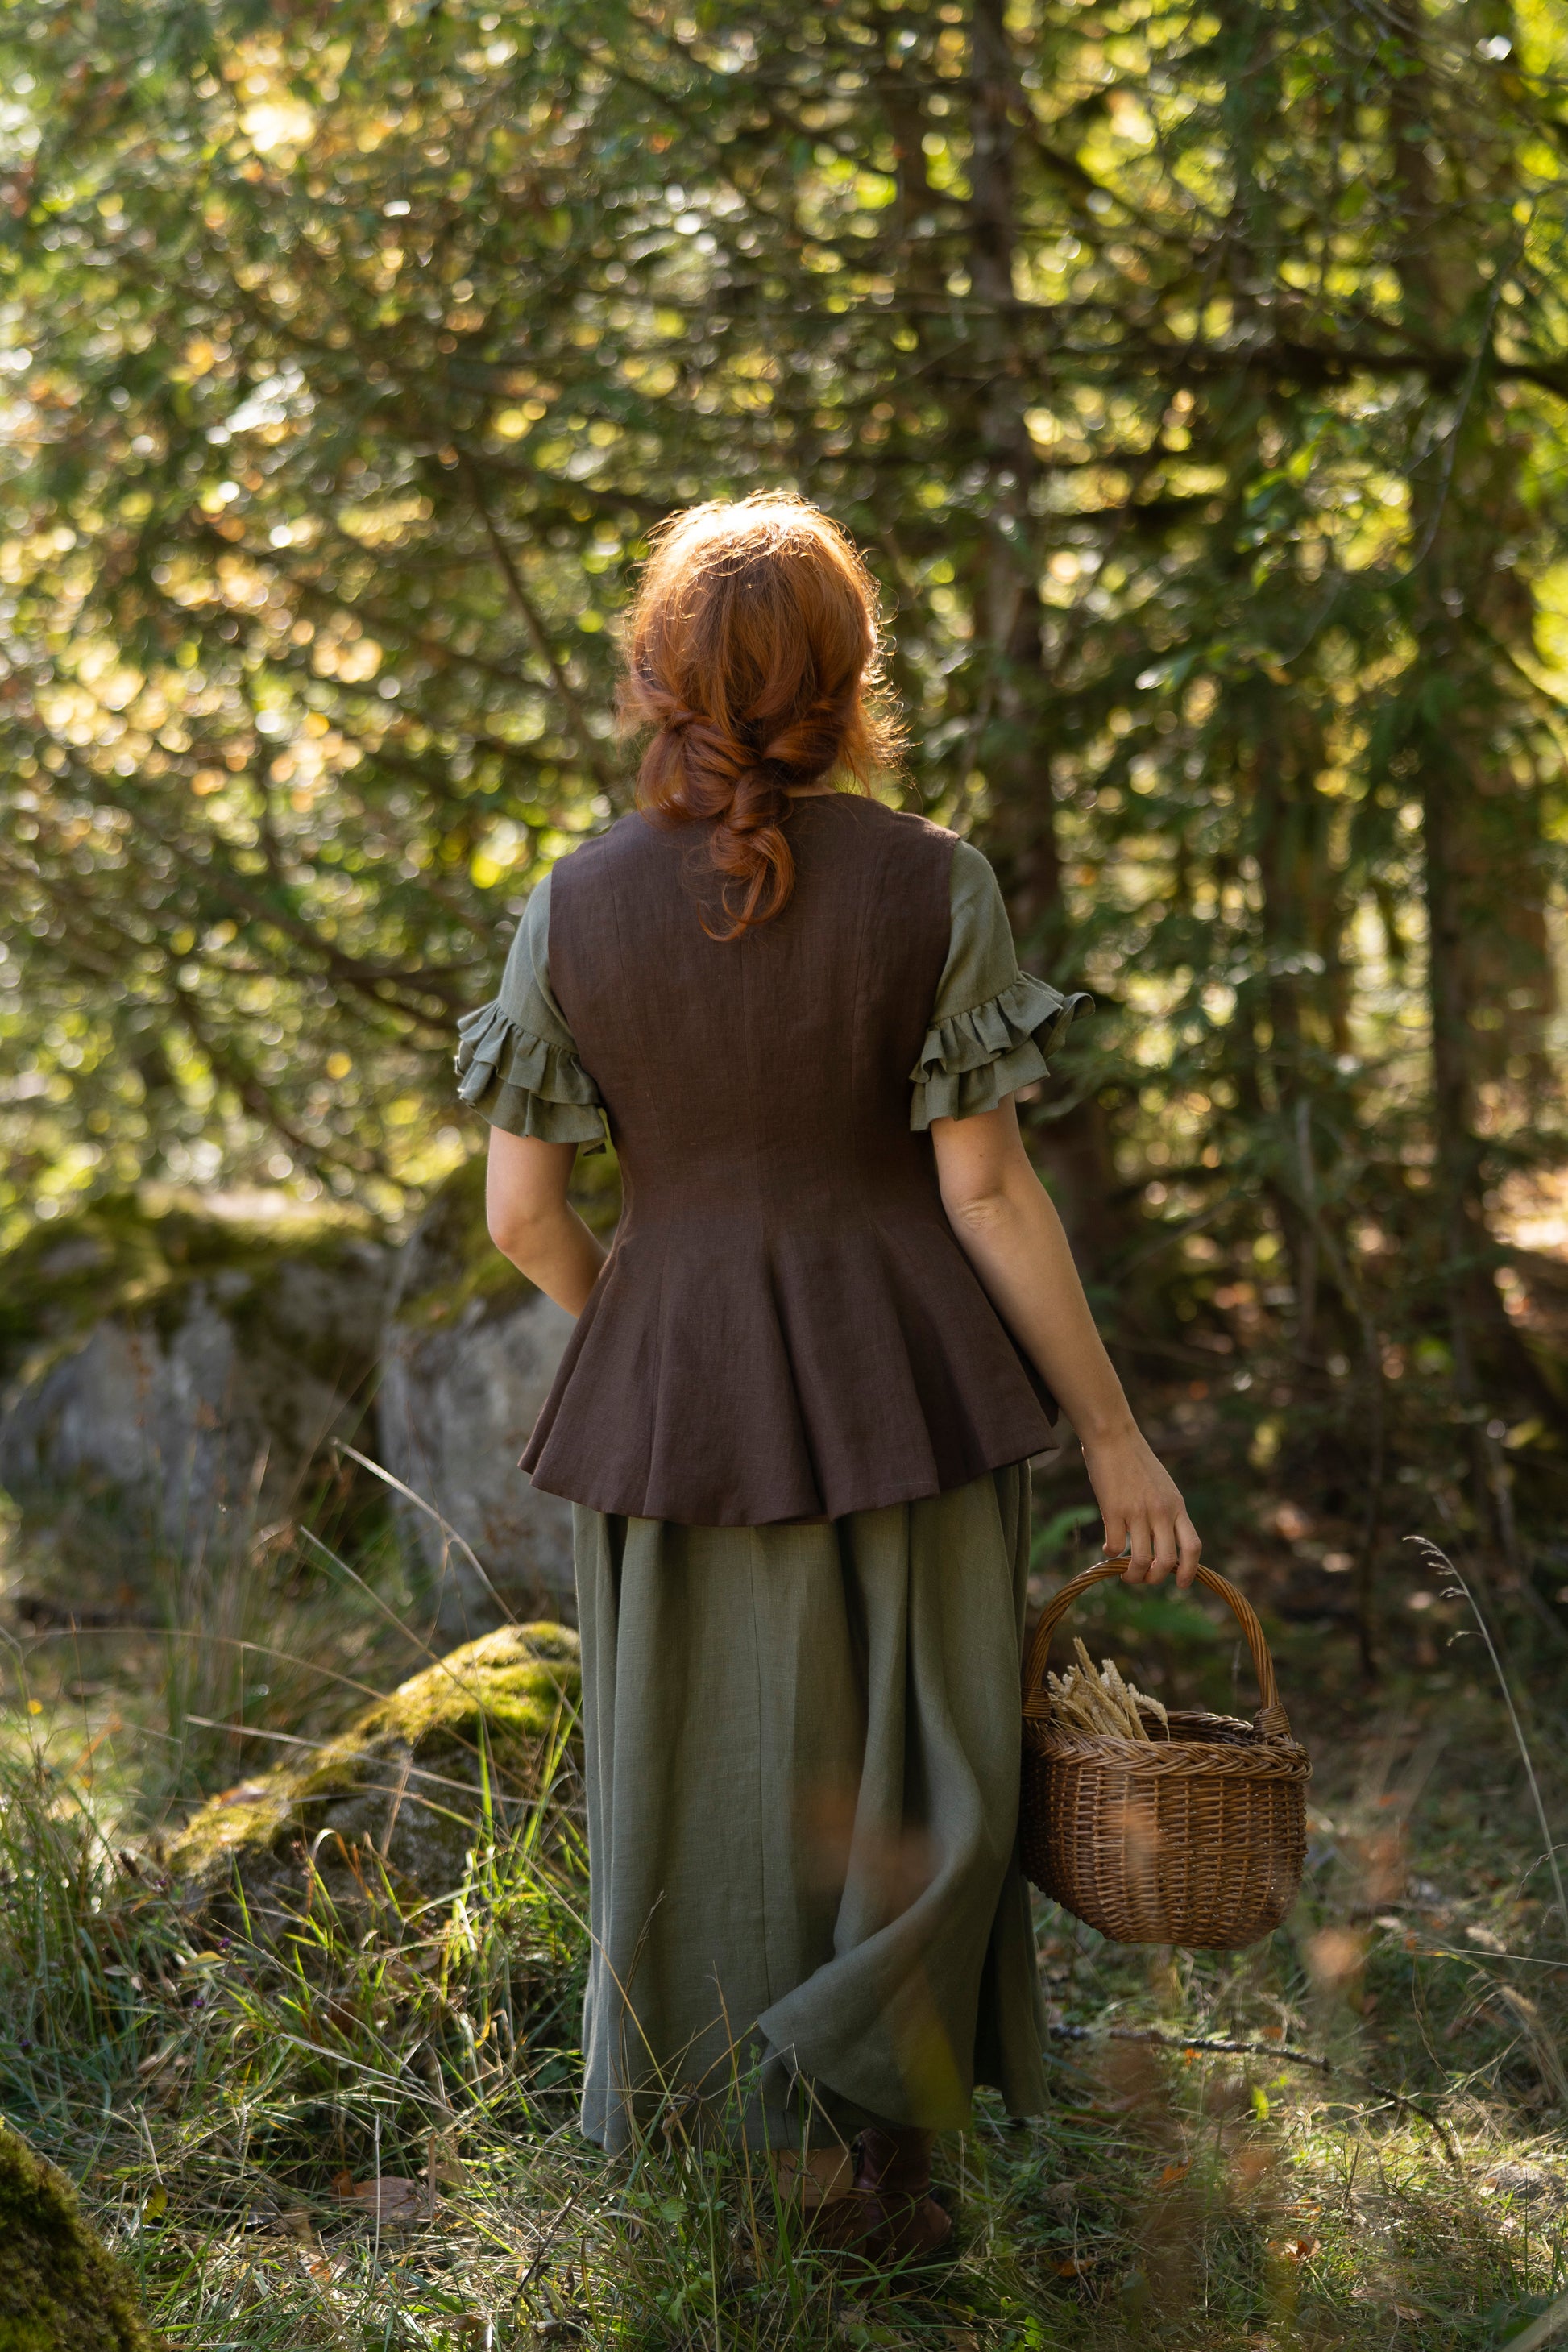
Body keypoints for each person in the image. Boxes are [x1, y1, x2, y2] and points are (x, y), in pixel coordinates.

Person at [455, 492, 1200, 2268]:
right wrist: (1113, 1435)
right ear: (849, 680)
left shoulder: (571, 906)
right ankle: (872, 2127)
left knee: (707, 1778)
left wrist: (640, 1324)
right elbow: (986, 1187)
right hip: (910, 1379)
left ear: (656, 680)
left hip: (672, 1394)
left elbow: (519, 1213)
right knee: (939, 1770)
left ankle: (775, 2144)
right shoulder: (932, 880)